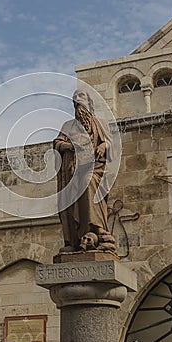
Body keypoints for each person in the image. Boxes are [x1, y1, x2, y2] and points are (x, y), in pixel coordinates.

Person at [53, 89, 114, 252]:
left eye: (81, 96)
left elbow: (110, 143)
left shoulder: (100, 122)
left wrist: (103, 145)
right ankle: (75, 239)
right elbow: (57, 143)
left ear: (89, 102)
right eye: (74, 98)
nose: (77, 99)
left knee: (88, 183)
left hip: (95, 167)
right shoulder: (68, 126)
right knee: (73, 194)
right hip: (73, 170)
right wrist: (69, 146)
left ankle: (96, 228)